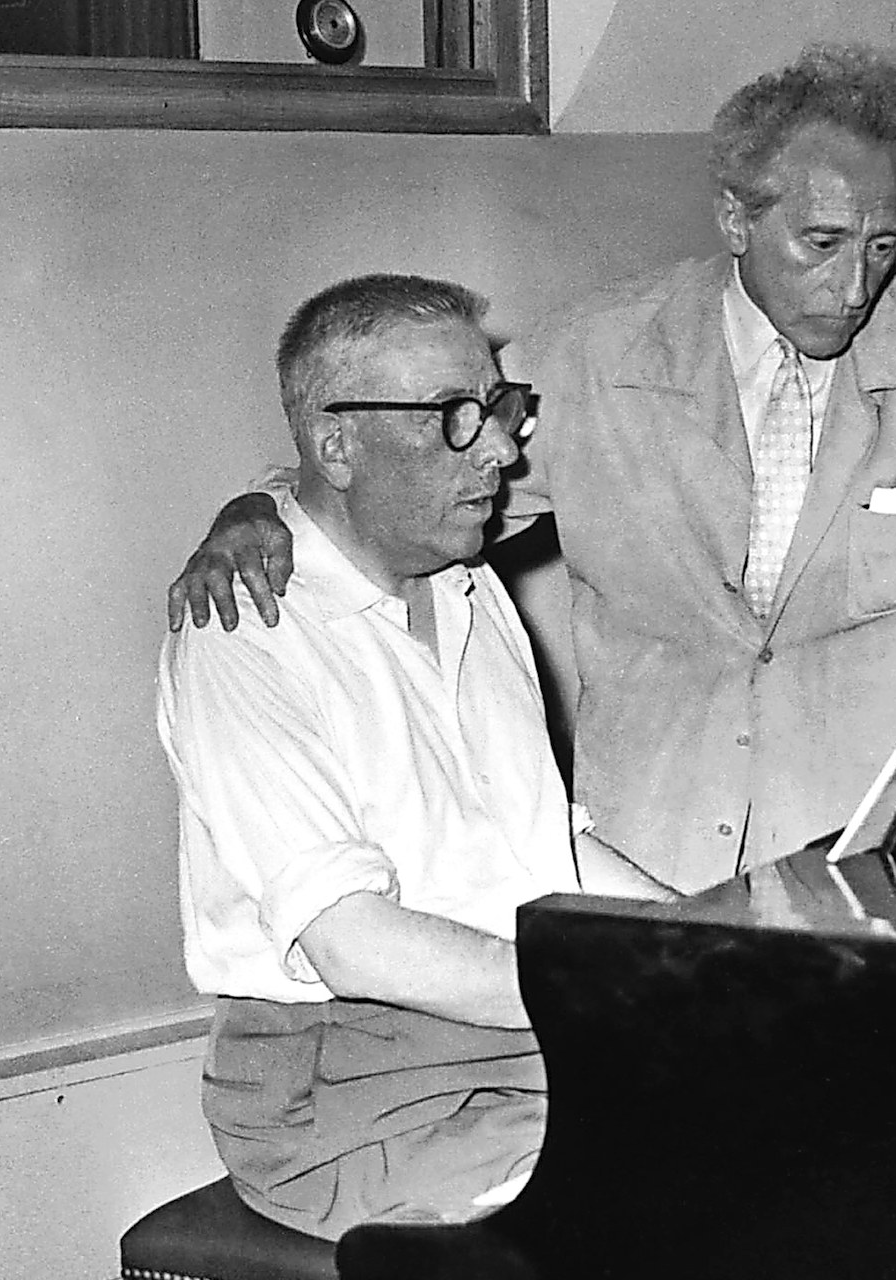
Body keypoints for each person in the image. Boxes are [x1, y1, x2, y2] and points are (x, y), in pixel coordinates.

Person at [168, 44, 896, 894]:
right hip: (655, 880)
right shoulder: (596, 356)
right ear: (737, 219)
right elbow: (404, 460)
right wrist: (256, 507)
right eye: (822, 242)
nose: (854, 287)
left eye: (883, 247)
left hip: (874, 876)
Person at [157, 274, 665, 1240]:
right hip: (337, 1100)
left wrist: (719, 950)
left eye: (502, 408)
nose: (506, 449)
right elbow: (350, 939)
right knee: (695, 1178)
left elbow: (542, 838)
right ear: (337, 442)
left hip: (499, 1035)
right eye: (457, 417)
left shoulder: (468, 583)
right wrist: (622, 996)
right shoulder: (243, 628)